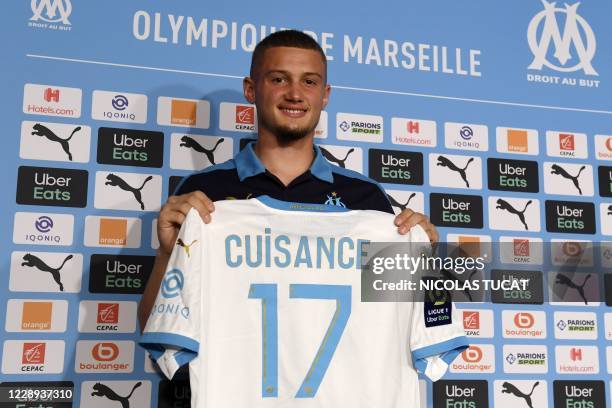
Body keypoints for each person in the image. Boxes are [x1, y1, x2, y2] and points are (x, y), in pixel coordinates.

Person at [138, 29, 438, 329]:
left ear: (325, 95)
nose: (295, 93)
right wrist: (166, 255)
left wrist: (425, 266)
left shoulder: (366, 198)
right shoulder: (202, 193)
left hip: (341, 378)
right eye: (278, 79)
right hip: (228, 376)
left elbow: (406, 327)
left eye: (309, 81)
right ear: (251, 89)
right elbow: (156, 332)